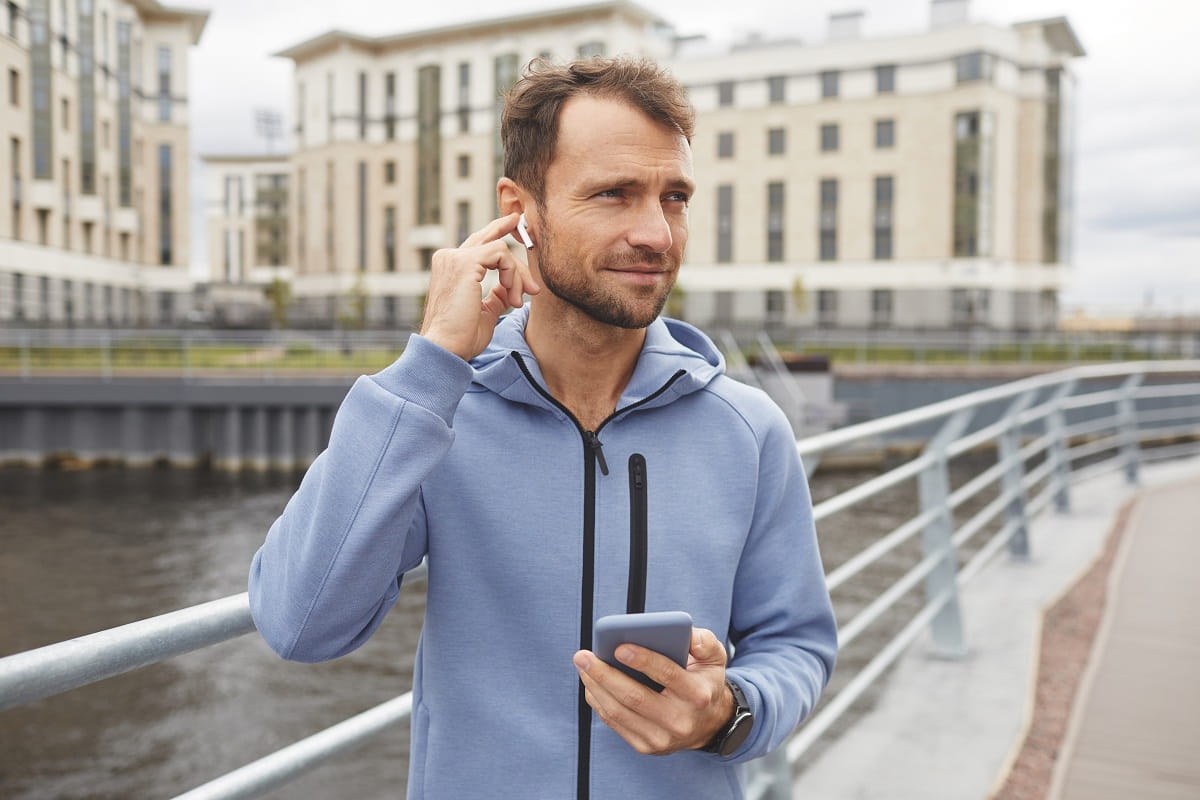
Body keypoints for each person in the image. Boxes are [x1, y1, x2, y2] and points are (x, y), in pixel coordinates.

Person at [249, 56, 837, 800]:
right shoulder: (435, 415)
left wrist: (728, 711)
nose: (656, 233)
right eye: (615, 194)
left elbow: (797, 646)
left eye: (675, 197)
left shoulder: (748, 430)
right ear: (520, 209)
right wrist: (431, 364)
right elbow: (300, 622)